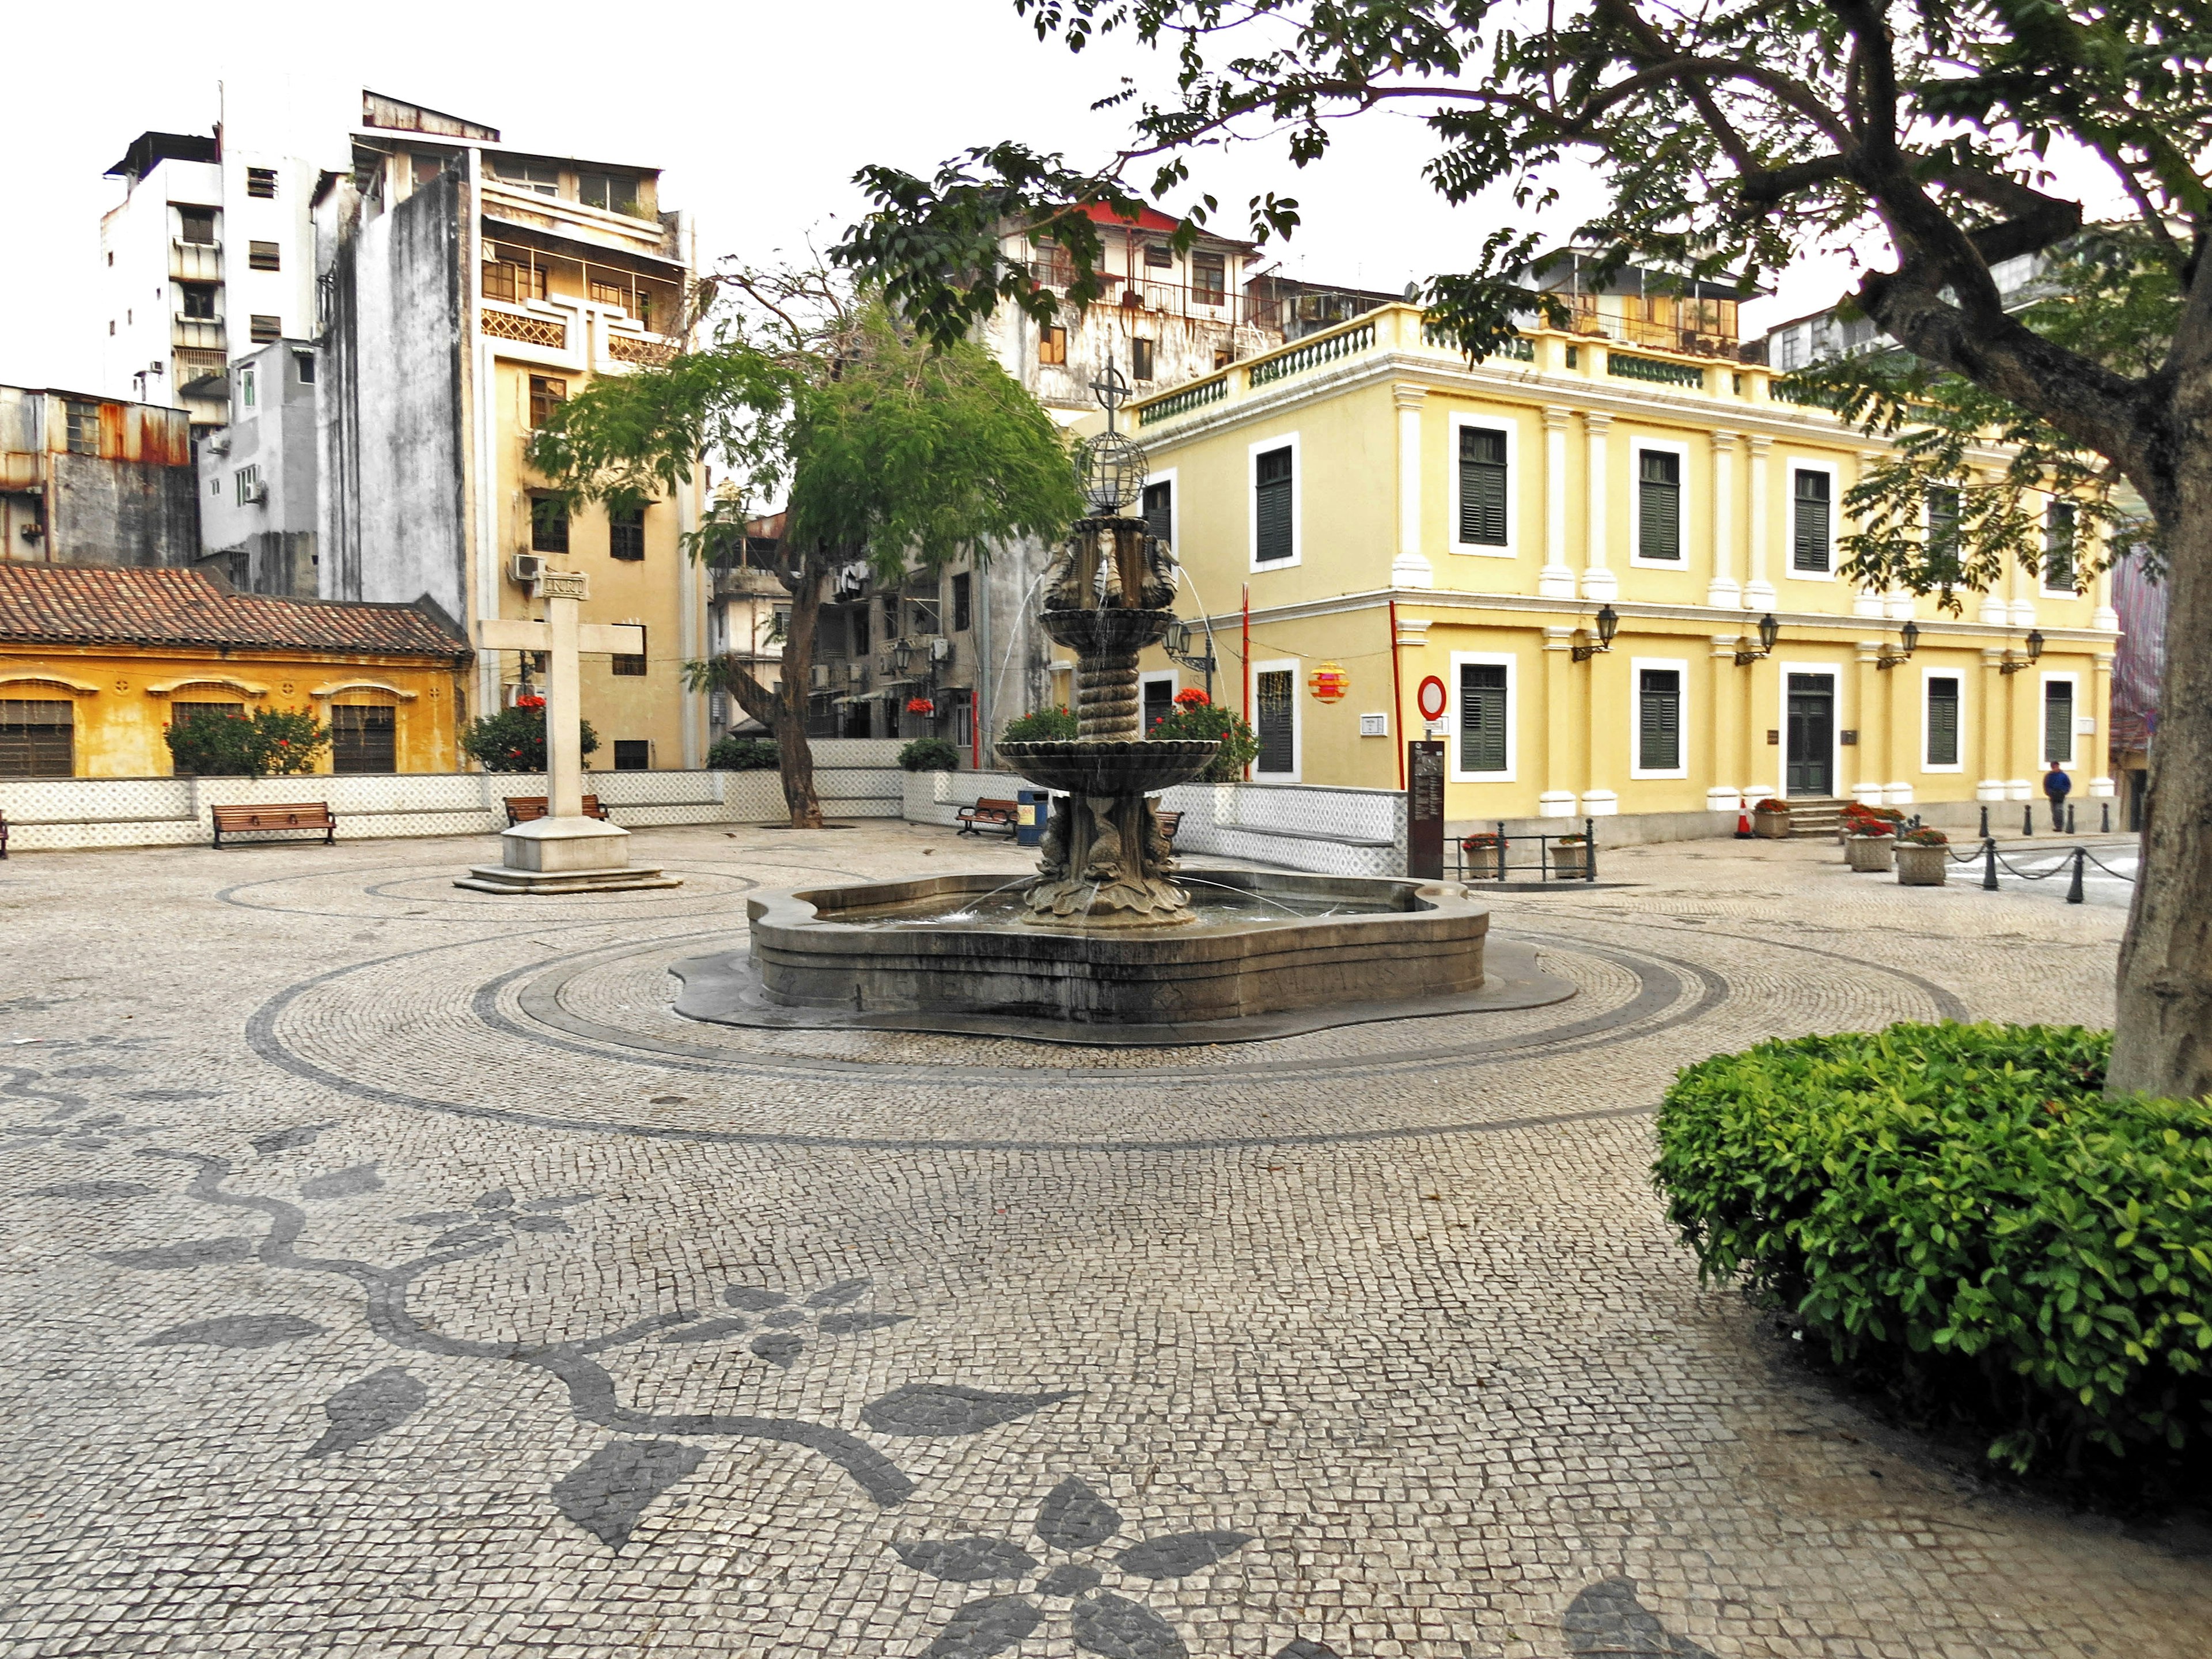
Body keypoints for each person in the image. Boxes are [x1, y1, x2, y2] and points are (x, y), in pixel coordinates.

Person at [2043, 758, 2073, 832]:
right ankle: (2057, 825)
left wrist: (2064, 791)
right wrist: (2049, 793)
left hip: (2060, 794)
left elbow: (2068, 784)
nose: (2056, 768)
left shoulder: (2063, 776)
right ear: (2052, 767)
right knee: (2054, 811)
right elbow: (2046, 785)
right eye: (2054, 767)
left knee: (2059, 810)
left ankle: (2060, 826)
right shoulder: (2049, 776)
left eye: (2057, 767)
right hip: (2053, 795)